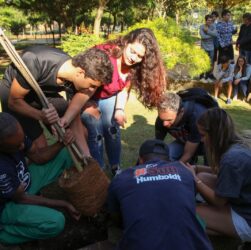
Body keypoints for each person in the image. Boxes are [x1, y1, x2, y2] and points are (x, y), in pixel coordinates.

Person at [0, 45, 113, 157]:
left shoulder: (76, 76)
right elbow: (13, 102)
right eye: (92, 86)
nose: (92, 91)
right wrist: (41, 116)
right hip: (14, 94)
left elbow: (75, 117)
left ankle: (79, 166)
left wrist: (87, 157)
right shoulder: (34, 62)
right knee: (39, 149)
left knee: (81, 133)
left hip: (43, 92)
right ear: (80, 73)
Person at [81, 28, 166, 173]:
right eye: (132, 51)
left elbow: (123, 89)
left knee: (112, 128)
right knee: (96, 133)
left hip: (108, 95)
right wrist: (87, 104)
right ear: (126, 42)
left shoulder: (135, 66)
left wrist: (119, 110)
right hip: (86, 95)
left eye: (140, 56)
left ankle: (115, 166)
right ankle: (98, 170)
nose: (134, 58)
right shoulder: (105, 55)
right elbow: (82, 81)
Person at [107, 139, 213, 250]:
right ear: (169, 160)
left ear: (141, 160)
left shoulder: (122, 178)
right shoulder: (185, 172)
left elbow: (115, 216)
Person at [0, 112, 81, 245]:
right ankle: (5, 234)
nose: (22, 146)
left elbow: (37, 156)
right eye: (16, 146)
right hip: (7, 204)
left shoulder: (14, 136)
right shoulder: (2, 168)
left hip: (22, 183)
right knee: (55, 222)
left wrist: (62, 143)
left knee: (65, 153)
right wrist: (63, 204)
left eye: (22, 141)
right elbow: (22, 199)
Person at [185, 108, 251, 243]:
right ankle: (222, 227)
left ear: (214, 134)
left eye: (203, 135)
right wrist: (197, 168)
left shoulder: (232, 159)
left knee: (190, 213)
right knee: (203, 177)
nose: (202, 141)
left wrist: (194, 178)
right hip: (243, 201)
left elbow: (219, 202)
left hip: (246, 216)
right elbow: (221, 172)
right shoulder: (237, 145)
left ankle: (233, 231)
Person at [155, 91, 208, 164]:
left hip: (207, 144)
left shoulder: (196, 117)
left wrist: (177, 168)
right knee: (168, 155)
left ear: (181, 112)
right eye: (162, 120)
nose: (164, 124)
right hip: (186, 141)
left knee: (209, 168)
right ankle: (191, 161)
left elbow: (188, 153)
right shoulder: (162, 118)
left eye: (169, 120)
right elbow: (157, 144)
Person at [199, 14, 218, 83]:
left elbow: (216, 35)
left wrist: (207, 31)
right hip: (203, 47)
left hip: (211, 48)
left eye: (211, 20)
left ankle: (207, 76)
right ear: (205, 20)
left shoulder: (213, 26)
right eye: (208, 20)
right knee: (202, 62)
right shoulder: (201, 26)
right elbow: (203, 37)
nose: (210, 21)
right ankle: (201, 76)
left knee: (210, 63)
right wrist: (211, 35)